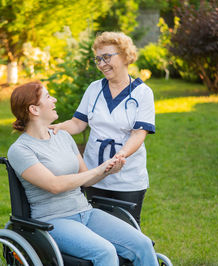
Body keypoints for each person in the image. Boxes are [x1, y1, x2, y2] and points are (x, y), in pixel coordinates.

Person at [7, 81, 158, 266]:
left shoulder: (63, 136)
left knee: (142, 244)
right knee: (105, 252)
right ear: (34, 109)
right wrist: (99, 169)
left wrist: (109, 170)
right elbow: (54, 185)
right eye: (48, 96)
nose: (54, 99)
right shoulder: (20, 150)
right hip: (53, 221)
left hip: (85, 213)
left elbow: (86, 179)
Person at [50, 32, 155, 225]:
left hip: (127, 177)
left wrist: (120, 156)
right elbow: (78, 123)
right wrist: (55, 128)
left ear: (125, 56)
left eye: (107, 57)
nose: (101, 64)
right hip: (93, 174)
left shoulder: (143, 93)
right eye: (98, 59)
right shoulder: (94, 89)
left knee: (126, 231)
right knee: (94, 228)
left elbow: (139, 133)